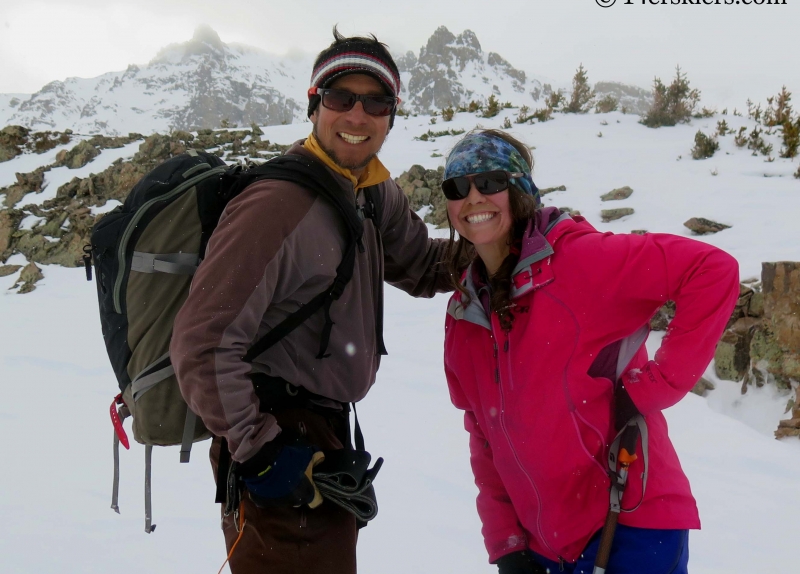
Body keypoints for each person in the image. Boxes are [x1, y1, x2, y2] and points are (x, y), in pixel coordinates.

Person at [170, 28, 452, 574]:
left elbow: (422, 264)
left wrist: (505, 246)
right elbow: (203, 342)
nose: (357, 115)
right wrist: (264, 451)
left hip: (321, 432)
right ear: (314, 104)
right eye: (340, 97)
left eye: (376, 102)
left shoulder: (370, 191)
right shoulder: (278, 204)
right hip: (273, 430)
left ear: (393, 114)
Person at [441, 129, 740, 573]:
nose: (472, 198)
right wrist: (505, 541)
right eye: (456, 187)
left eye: (489, 182)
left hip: (631, 522)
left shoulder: (580, 261)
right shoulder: (464, 315)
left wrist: (654, 388)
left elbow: (711, 270)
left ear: (520, 191)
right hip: (545, 545)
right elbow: (483, 433)